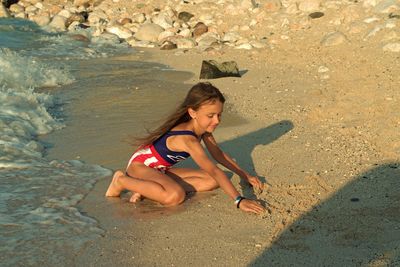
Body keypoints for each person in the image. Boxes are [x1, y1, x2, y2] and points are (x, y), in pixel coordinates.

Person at [106, 82, 265, 214]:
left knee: (211, 181)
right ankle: (121, 181)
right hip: (140, 167)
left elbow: (218, 155)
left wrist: (245, 175)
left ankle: (147, 190)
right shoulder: (188, 139)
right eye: (210, 116)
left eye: (219, 114)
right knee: (175, 197)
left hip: (159, 169)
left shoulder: (203, 130)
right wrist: (239, 200)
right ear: (192, 112)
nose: (216, 120)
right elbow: (213, 169)